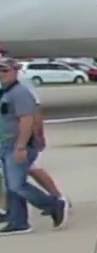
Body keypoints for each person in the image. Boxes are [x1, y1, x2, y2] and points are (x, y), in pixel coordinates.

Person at [0, 58, 66, 235]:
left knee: (17, 185)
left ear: (15, 71)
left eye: (5, 70)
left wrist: (21, 146)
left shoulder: (19, 92)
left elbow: (27, 119)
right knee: (11, 186)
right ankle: (18, 221)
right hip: (4, 145)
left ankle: (54, 204)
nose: (1, 74)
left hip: (17, 145)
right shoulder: (4, 92)